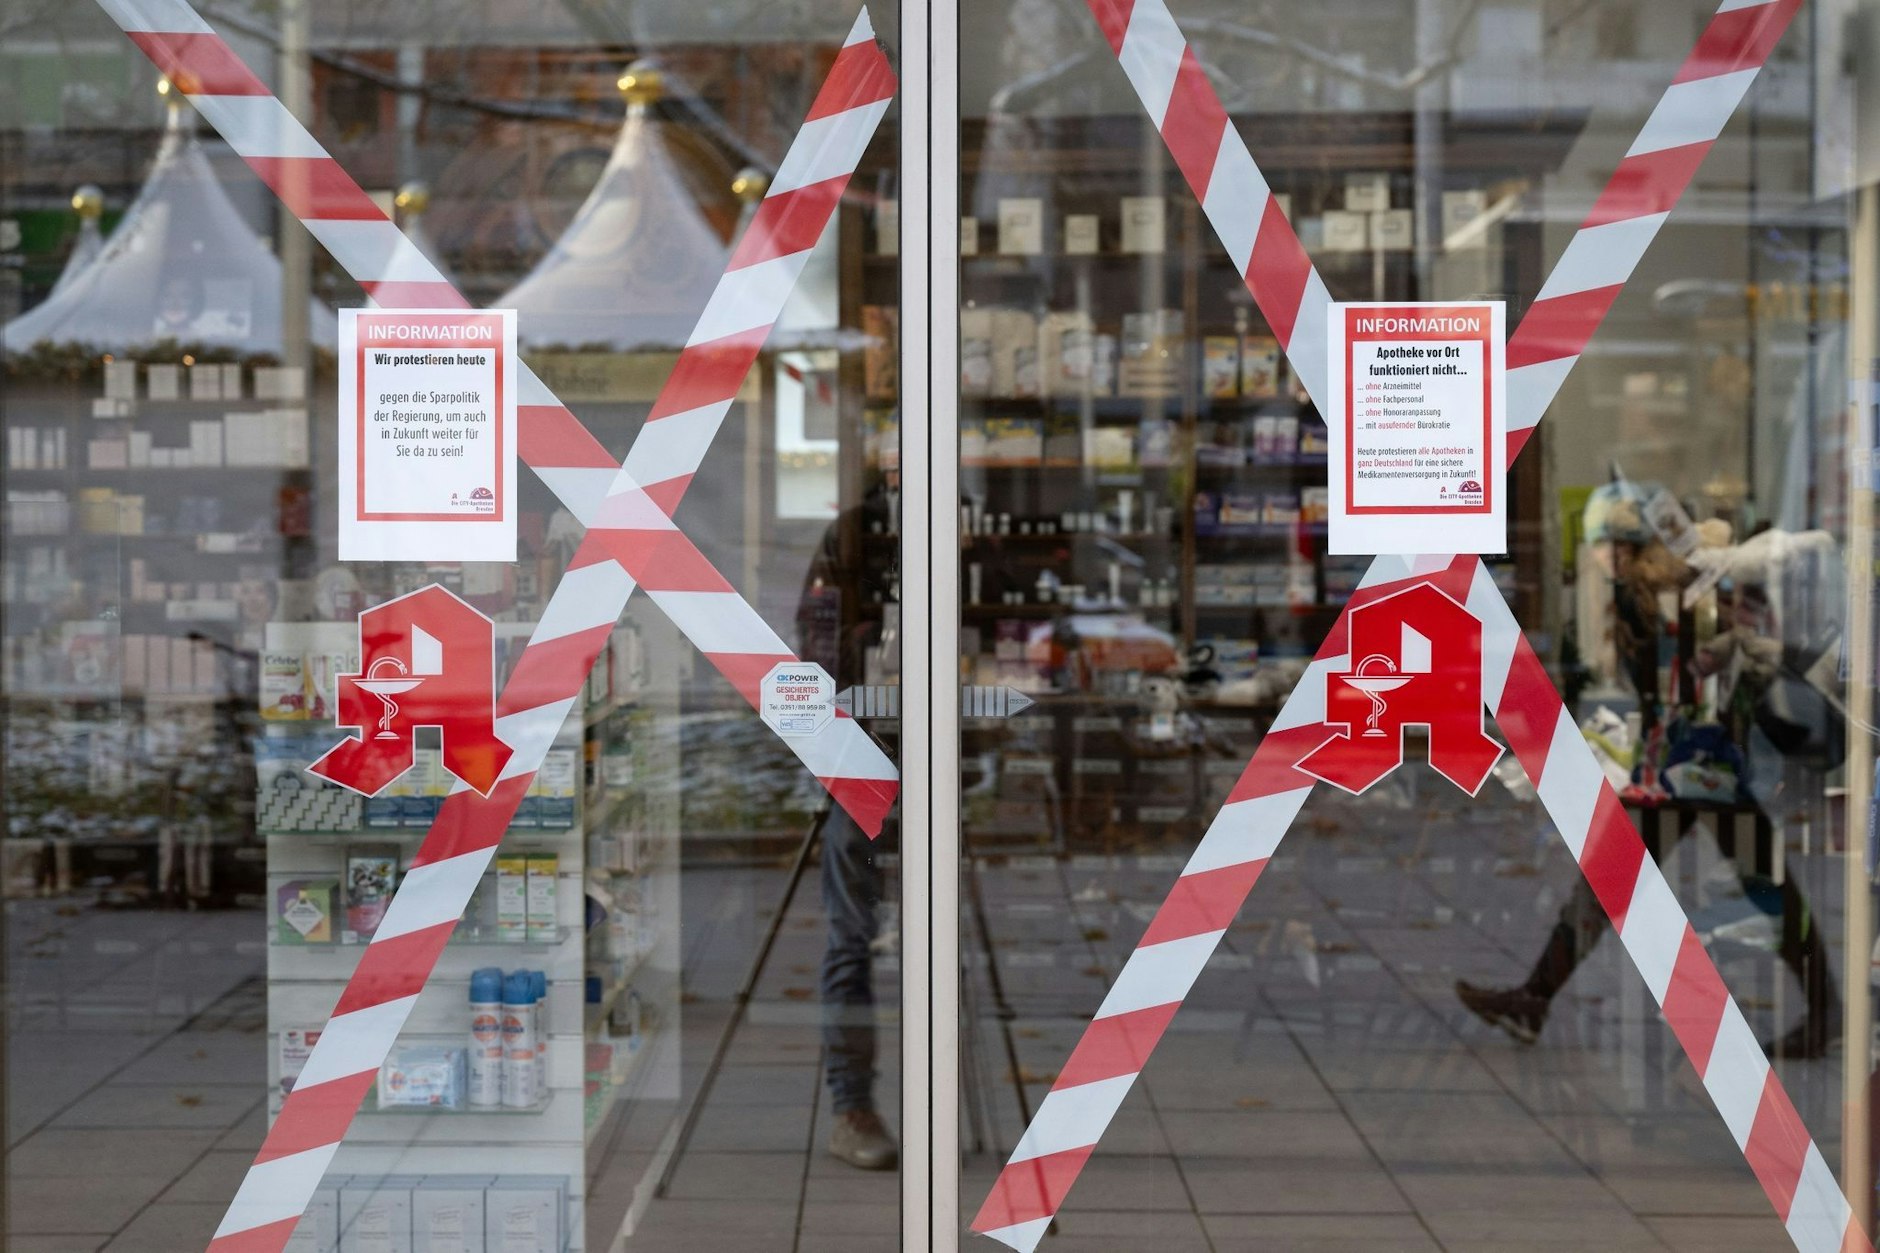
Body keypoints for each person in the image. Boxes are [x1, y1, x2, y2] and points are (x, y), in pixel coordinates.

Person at [1458, 484, 1841, 1058]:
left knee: (1758, 890)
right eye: (1600, 545)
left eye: (1613, 543)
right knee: (1728, 887)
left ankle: (1827, 1008)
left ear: (1635, 544)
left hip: (1702, 770)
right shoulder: (1650, 596)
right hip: (1680, 770)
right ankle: (1534, 998)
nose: (1601, 556)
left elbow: (1710, 672)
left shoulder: (1681, 592)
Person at [800, 473, 900, 1170]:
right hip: (862, 761)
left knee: (945, 941)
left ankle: (931, 1092)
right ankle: (852, 1105)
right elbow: (814, 650)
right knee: (851, 935)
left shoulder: (961, 532)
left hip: (944, 763)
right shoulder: (849, 539)